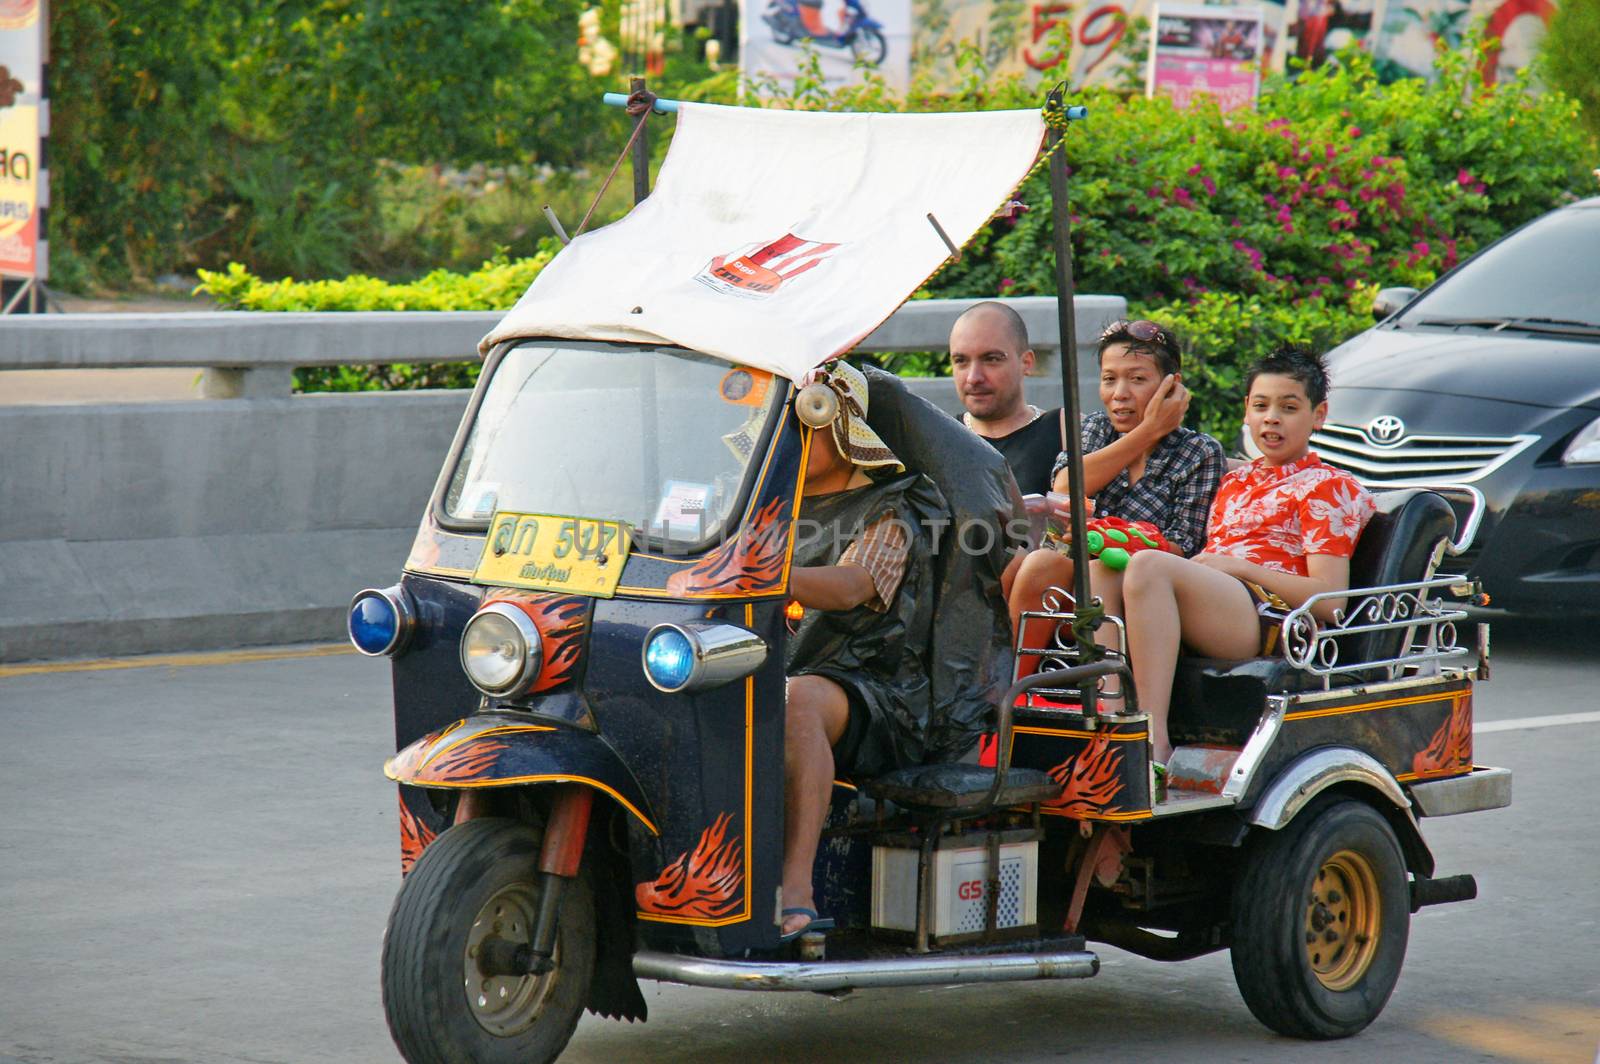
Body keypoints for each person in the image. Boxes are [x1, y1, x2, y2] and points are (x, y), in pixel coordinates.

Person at [1092, 348, 1376, 790]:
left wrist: (1235, 565)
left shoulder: (1330, 487)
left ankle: (1152, 738)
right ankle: (1110, 723)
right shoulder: (1234, 479)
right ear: (1246, 410)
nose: (1271, 419)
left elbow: (1331, 600)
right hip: (1216, 599)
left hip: (1269, 618)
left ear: (1318, 415)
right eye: (1261, 406)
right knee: (1102, 569)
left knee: (1147, 566)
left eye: (1289, 407)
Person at [781, 361, 944, 939]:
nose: (789, 439)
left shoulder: (890, 509)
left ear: (842, 425)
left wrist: (768, 572)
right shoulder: (765, 508)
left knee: (797, 701)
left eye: (803, 424)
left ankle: (795, 886)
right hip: (777, 672)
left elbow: (851, 586)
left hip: (879, 692)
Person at [1008, 319, 1225, 674]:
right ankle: (1001, 692)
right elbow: (1064, 488)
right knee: (1024, 562)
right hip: (1071, 588)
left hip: (1146, 592)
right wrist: (1146, 432)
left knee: (1066, 567)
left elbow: (1184, 546)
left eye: (1137, 379)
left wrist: (1111, 540)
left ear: (1172, 386)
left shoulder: (1198, 452)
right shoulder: (1095, 429)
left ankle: (1021, 689)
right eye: (1110, 379)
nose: (1119, 393)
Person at [948, 301, 1064, 498]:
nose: (973, 377)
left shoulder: (1066, 430)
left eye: (991, 359)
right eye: (961, 361)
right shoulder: (939, 438)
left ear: (1026, 362)